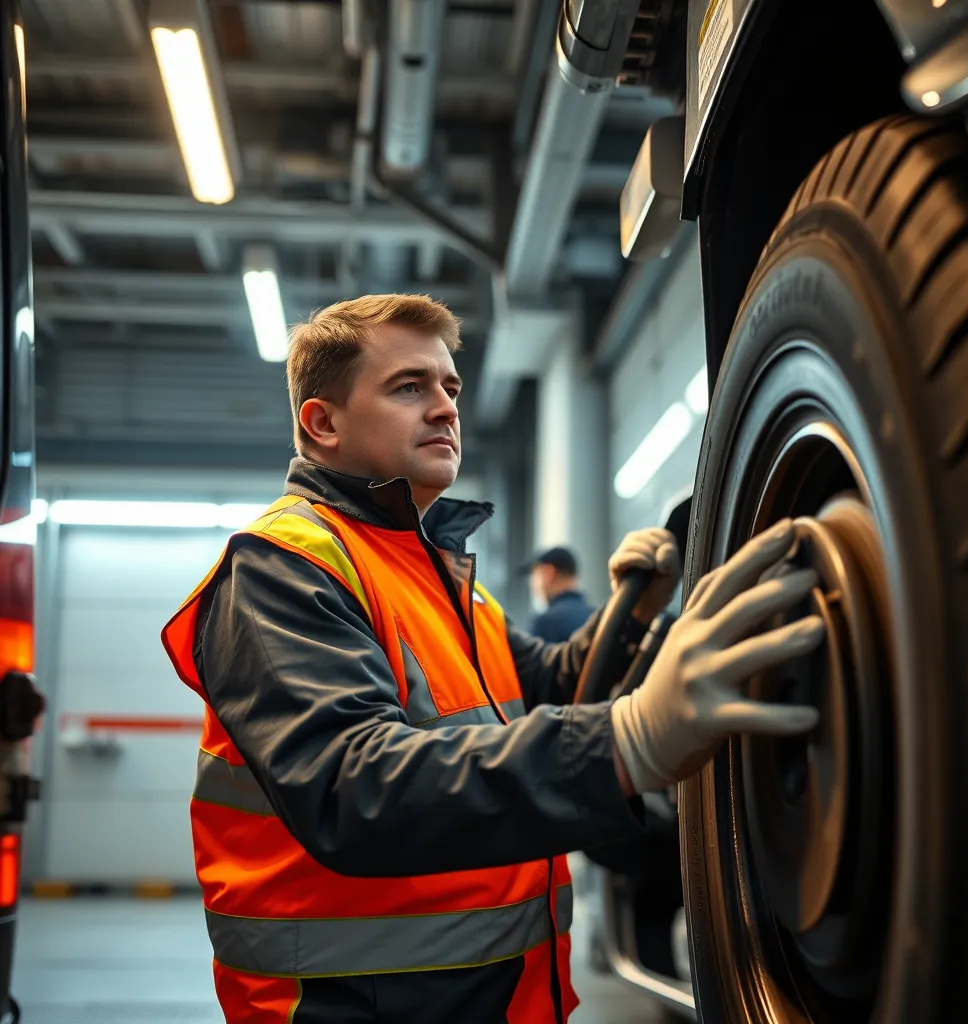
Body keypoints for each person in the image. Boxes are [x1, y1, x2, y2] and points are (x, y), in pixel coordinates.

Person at [161, 294, 825, 1024]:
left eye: (450, 388)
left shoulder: (435, 572)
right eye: (409, 386)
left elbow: (549, 684)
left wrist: (632, 616)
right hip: (356, 1005)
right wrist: (628, 741)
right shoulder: (281, 568)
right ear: (322, 423)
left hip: (498, 998)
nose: (446, 409)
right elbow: (354, 788)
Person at [523, 546, 595, 642]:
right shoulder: (597, 616)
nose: (532, 585)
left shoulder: (545, 623)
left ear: (549, 573)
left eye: (535, 575)